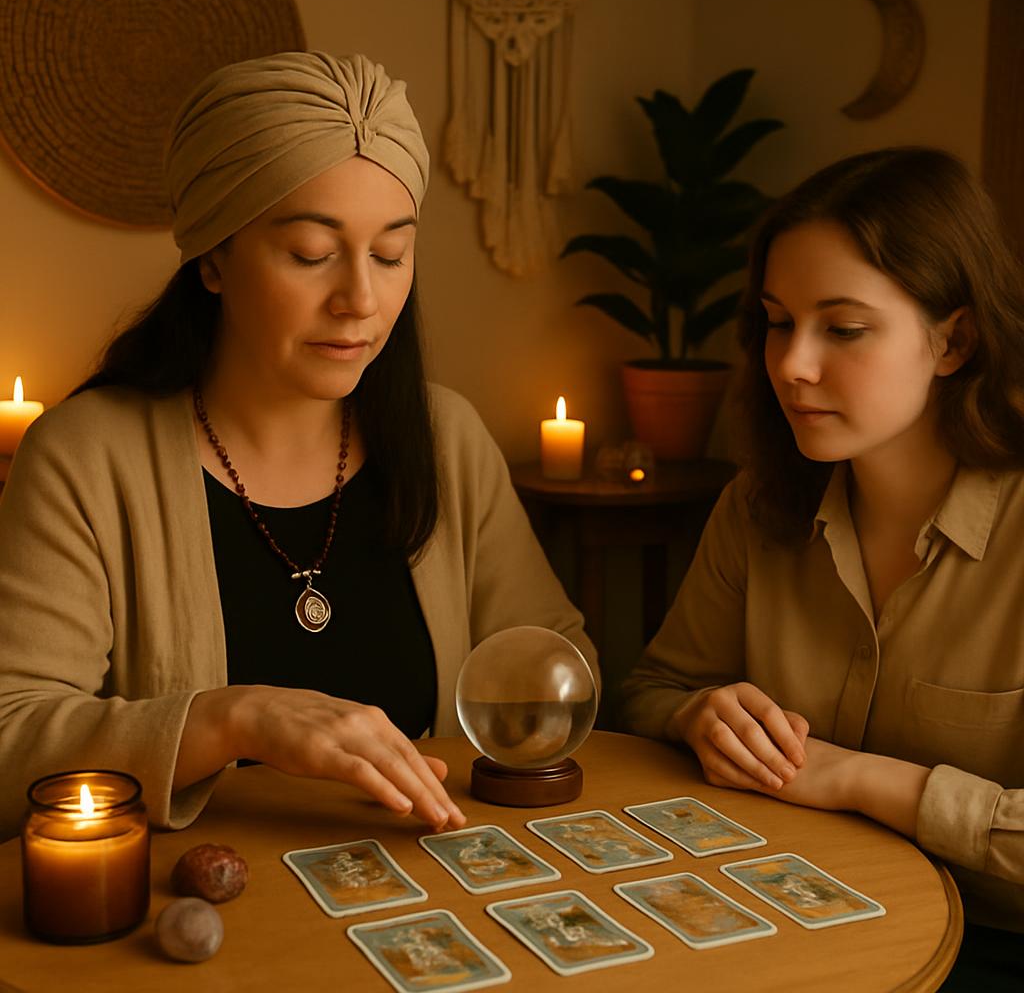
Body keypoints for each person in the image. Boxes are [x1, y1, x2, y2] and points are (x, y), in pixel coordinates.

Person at [0, 51, 597, 841]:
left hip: (417, 903)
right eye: (312, 254)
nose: (361, 299)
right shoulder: (86, 459)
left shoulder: (445, 438)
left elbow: (555, 656)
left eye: (391, 255)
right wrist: (232, 720)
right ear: (213, 258)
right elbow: (11, 738)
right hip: (203, 920)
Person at [621, 147, 1024, 986]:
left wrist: (861, 780)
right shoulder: (756, 506)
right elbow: (651, 687)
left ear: (955, 341)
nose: (793, 365)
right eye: (777, 321)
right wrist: (699, 714)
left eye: (843, 329)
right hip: (774, 924)